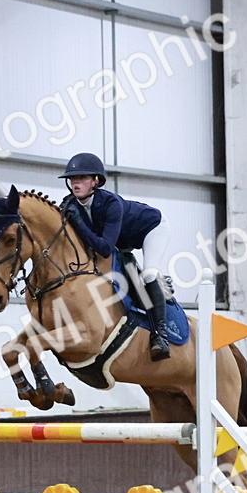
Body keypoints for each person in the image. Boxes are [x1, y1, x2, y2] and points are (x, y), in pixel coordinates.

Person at [57, 152, 173, 362]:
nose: (76, 183)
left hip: (151, 228)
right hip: (123, 242)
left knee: (148, 274)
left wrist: (80, 223)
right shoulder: (69, 204)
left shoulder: (111, 203)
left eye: (82, 178)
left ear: (95, 181)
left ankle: (160, 336)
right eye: (73, 179)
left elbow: (104, 248)